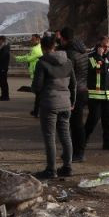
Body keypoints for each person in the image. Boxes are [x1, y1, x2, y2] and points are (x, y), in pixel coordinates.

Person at [31, 34, 75, 179]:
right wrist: (72, 103)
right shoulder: (68, 62)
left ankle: (51, 169)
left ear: (43, 48)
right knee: (65, 136)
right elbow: (73, 85)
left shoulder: (42, 63)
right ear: (54, 46)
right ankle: (67, 167)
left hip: (49, 103)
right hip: (66, 104)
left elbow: (37, 86)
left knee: (50, 137)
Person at [57, 27, 89, 162]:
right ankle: (73, 151)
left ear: (63, 38)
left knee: (73, 125)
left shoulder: (68, 54)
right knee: (75, 124)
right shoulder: (82, 50)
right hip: (83, 89)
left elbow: (65, 75)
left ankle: (78, 153)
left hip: (73, 91)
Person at [86, 36, 109, 150]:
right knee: (92, 121)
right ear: (99, 46)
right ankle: (81, 142)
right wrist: (99, 56)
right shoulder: (91, 57)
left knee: (108, 121)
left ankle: (108, 143)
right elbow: (95, 68)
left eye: (108, 47)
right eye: (104, 46)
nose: (106, 49)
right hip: (95, 95)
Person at [15, 33, 43, 115]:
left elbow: (28, 58)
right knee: (39, 94)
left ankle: (37, 111)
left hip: (36, 73)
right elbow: (28, 56)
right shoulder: (38, 48)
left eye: (33, 39)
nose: (31, 41)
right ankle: (37, 110)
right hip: (36, 72)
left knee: (38, 94)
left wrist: (17, 58)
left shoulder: (35, 49)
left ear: (38, 40)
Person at [0, 35, 11, 101]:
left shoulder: (5, 47)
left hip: (3, 67)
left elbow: (3, 57)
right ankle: (3, 95)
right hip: (0, 67)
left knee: (3, 82)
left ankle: (6, 96)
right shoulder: (1, 47)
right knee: (1, 82)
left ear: (1, 40)